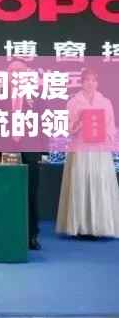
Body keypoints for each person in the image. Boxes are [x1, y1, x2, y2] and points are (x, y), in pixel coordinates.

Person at [56, 68, 119, 238]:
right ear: (82, 82)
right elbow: (68, 127)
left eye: (93, 80)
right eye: (87, 80)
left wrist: (103, 133)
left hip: (99, 150)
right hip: (80, 149)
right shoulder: (73, 102)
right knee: (80, 184)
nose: (90, 83)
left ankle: (99, 226)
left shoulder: (105, 102)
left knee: (99, 184)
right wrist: (80, 122)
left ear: (97, 83)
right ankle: (79, 226)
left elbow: (111, 127)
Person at [0, 60, 42, 250]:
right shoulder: (0, 95)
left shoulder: (36, 94)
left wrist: (43, 151)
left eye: (21, 71)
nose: (17, 75)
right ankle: (7, 233)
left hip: (30, 150)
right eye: (13, 71)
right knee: (7, 191)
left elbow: (44, 121)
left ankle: (31, 235)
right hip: (7, 149)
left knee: (31, 193)